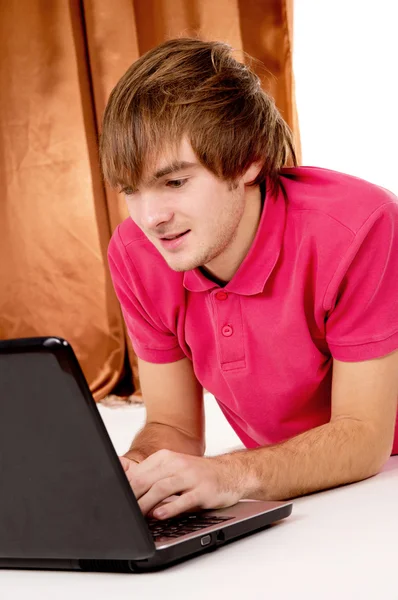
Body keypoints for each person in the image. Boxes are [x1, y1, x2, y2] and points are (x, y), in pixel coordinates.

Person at [100, 38, 398, 521]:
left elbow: (365, 436)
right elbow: (172, 424)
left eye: (175, 182)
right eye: (133, 190)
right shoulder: (136, 253)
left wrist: (228, 474)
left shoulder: (359, 226)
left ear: (247, 161)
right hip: (293, 489)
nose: (152, 217)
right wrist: (137, 471)